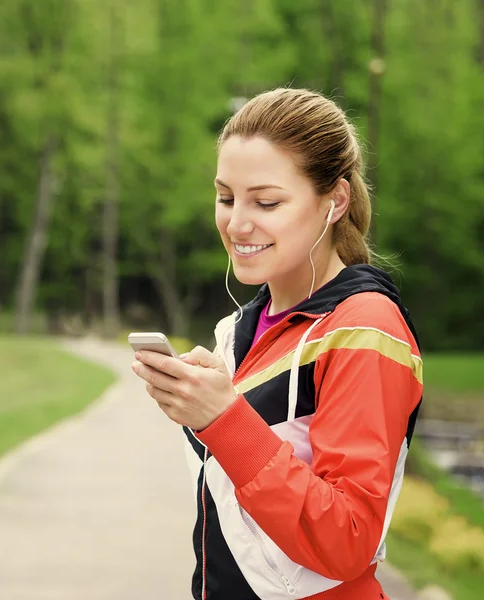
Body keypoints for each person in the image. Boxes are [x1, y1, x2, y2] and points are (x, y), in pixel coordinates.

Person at [131, 87, 423, 600]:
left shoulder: (366, 330)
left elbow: (348, 541)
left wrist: (225, 420)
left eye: (266, 201)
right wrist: (200, 406)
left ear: (335, 201)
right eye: (226, 198)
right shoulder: (239, 329)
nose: (237, 223)